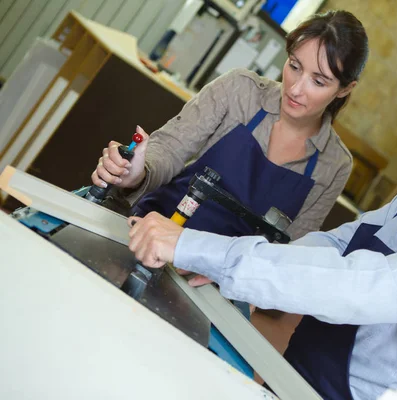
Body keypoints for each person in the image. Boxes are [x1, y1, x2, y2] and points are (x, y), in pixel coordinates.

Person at [127, 80, 397, 399]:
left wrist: (196, 246)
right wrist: (223, 268)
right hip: (291, 372)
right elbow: (336, 245)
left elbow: (351, 285)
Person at [92, 10, 369, 242]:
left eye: (318, 82)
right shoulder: (240, 90)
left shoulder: (335, 164)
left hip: (213, 283)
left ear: (345, 89)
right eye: (294, 66)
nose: (296, 89)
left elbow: (290, 248)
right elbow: (170, 149)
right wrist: (136, 173)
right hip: (150, 231)